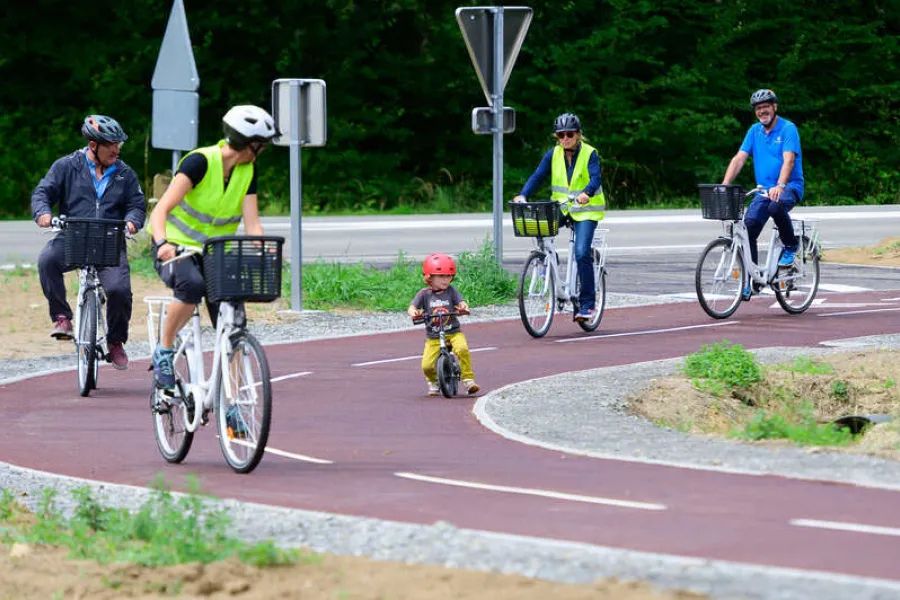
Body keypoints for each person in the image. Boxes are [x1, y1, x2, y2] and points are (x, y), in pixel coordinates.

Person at [149, 104, 276, 390]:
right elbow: (160, 211)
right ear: (250, 144)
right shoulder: (199, 162)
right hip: (177, 248)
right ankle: (165, 350)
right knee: (192, 286)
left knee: (234, 321)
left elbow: (252, 223)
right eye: (262, 146)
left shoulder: (247, 171)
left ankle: (230, 403)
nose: (264, 151)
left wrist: (263, 246)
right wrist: (162, 244)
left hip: (216, 254)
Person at [31, 114, 146, 369]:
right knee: (47, 260)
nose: (117, 149)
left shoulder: (125, 174)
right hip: (74, 237)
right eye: (111, 144)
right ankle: (62, 317)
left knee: (118, 291)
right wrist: (43, 213)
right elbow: (43, 192)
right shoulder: (66, 166)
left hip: (109, 242)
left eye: (119, 144)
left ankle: (115, 341)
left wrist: (132, 222)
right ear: (93, 145)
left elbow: (137, 206)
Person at [512, 113, 605, 321]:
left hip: (586, 211)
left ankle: (588, 304)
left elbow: (596, 178)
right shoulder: (553, 154)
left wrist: (586, 194)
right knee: (540, 232)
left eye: (569, 134)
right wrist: (524, 194)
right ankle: (549, 258)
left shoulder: (590, 153)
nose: (565, 138)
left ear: (578, 134)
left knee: (581, 253)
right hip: (562, 208)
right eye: (561, 135)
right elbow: (538, 175)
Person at [722, 88, 805, 299]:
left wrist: (780, 185)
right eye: (759, 108)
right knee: (748, 228)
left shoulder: (788, 129)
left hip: (789, 186)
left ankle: (791, 245)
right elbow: (739, 159)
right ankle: (753, 279)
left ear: (774, 107)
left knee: (775, 206)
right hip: (763, 190)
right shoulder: (754, 131)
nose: (762, 111)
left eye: (766, 106)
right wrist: (724, 184)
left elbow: (789, 160)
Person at [407, 253, 479, 396]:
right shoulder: (424, 294)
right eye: (441, 276)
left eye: (448, 276)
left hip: (453, 332)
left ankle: (468, 379)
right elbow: (411, 307)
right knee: (427, 366)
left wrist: (464, 308)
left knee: (463, 349)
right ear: (429, 277)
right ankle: (433, 382)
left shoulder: (451, 291)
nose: (446, 280)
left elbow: (461, 302)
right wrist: (414, 313)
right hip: (434, 336)